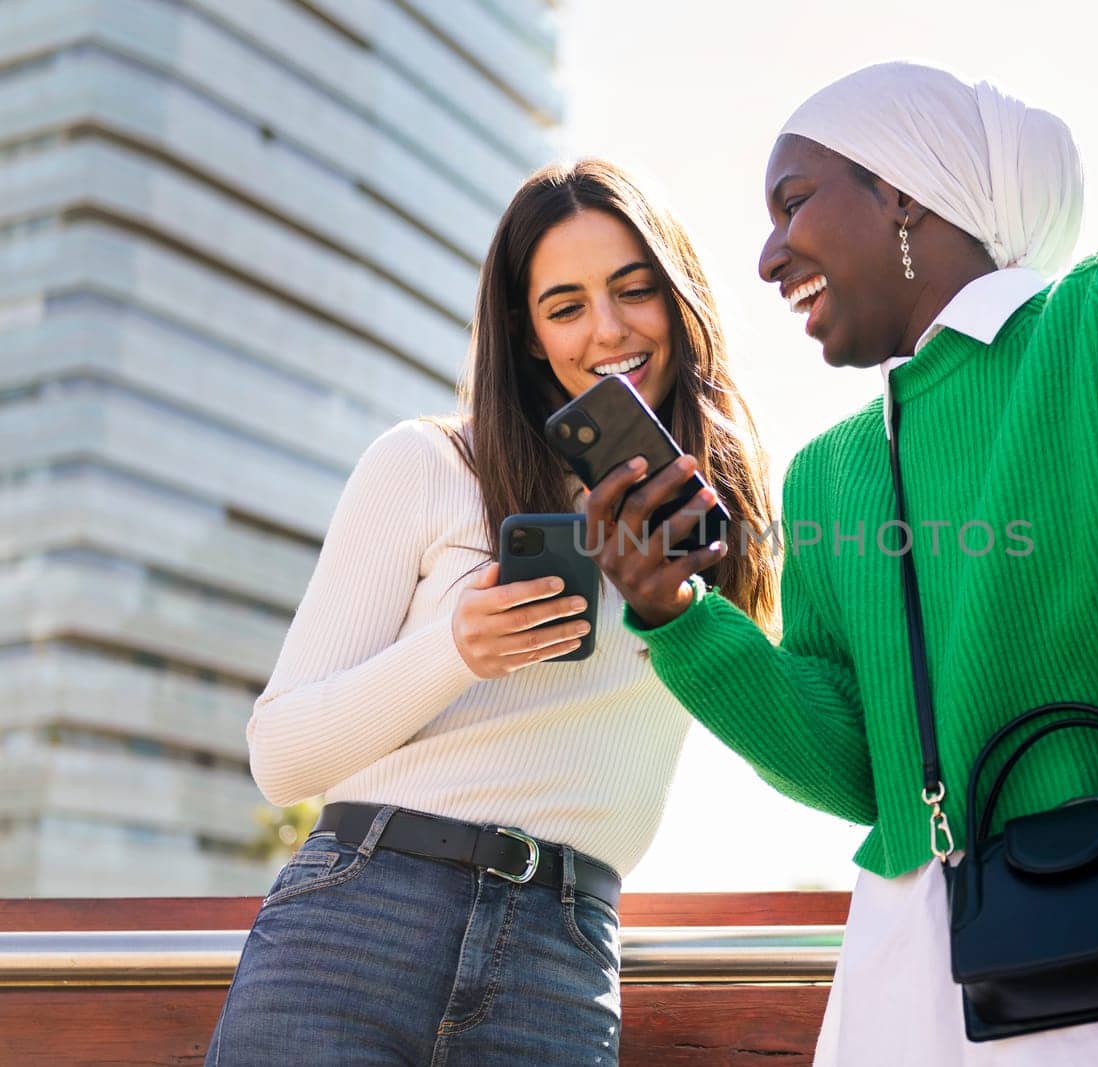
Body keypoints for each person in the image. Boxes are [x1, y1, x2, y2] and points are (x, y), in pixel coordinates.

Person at [585, 63, 1098, 1065]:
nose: (767, 256)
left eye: (793, 201)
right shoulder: (829, 473)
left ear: (900, 191)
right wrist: (678, 615)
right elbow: (861, 763)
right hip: (909, 972)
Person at [206, 159, 776, 1066]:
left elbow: (773, 726)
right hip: (358, 919)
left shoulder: (725, 525)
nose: (608, 329)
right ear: (526, 331)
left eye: (635, 290)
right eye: (566, 305)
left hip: (563, 954)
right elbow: (281, 757)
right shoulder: (430, 464)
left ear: (679, 299)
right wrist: (455, 647)